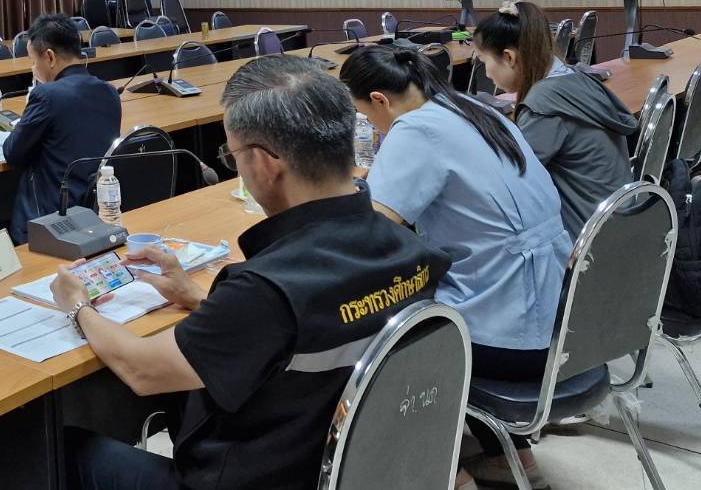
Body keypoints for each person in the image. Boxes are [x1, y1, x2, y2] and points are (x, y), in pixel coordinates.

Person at [55, 55, 448, 490]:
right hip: (355, 470)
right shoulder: (413, 251)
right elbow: (304, 327)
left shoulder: (266, 289)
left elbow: (141, 371)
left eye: (232, 154)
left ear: (263, 164)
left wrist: (78, 306)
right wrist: (197, 297)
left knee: (63, 451)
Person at [342, 41, 571, 489]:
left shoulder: (414, 131)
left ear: (380, 101)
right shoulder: (466, 106)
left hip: (512, 341)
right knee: (449, 292)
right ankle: (513, 461)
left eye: (367, 118)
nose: (372, 127)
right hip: (564, 321)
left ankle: (450, 476)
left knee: (371, 333)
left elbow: (375, 233)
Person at [475, 1, 635, 237]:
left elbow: (508, 181)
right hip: (621, 228)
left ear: (509, 57)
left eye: (484, 61)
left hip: (588, 245)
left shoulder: (544, 105)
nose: (487, 73)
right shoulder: (574, 78)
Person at [3, 12, 122, 243]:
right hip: (96, 214)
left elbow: (12, 153)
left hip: (52, 222)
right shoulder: (109, 92)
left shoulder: (46, 96)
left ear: (49, 57)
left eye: (33, 61)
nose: (33, 68)